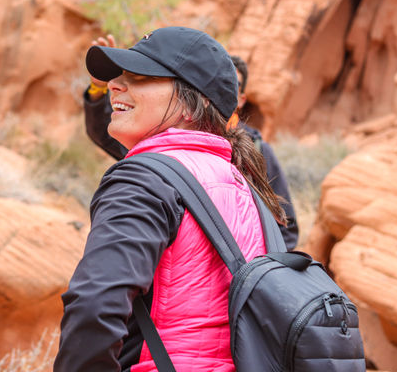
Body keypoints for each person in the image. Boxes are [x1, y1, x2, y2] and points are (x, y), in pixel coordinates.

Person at [54, 27, 286, 371]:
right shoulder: (242, 183)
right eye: (120, 76)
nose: (115, 85)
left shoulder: (145, 179)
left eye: (139, 76)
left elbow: (94, 307)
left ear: (191, 105)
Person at [83, 36, 298, 250]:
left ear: (240, 98)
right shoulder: (162, 145)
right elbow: (104, 135)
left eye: (233, 84)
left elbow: (284, 225)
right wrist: (97, 90)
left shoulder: (256, 149)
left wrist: (258, 269)